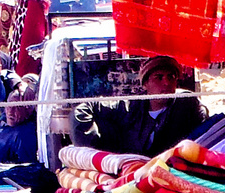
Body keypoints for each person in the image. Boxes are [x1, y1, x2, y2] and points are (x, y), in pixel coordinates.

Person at [72, 54, 206, 158]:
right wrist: (90, 145)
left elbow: (204, 124)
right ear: (145, 84)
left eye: (171, 77)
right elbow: (83, 108)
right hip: (132, 169)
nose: (166, 83)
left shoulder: (185, 102)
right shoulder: (130, 106)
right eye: (158, 77)